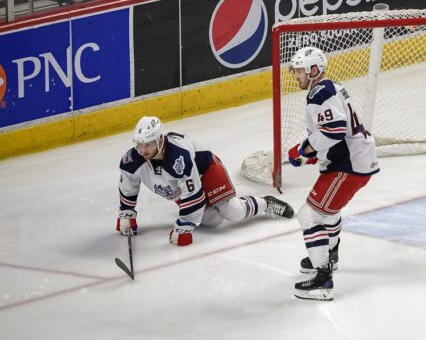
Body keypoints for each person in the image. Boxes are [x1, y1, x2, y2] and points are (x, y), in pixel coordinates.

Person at [286, 47, 379, 301]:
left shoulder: (319, 92)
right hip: (354, 160)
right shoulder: (332, 86)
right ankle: (330, 254)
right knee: (329, 210)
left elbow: (334, 131)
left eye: (298, 71)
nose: (296, 76)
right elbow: (337, 131)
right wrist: (312, 154)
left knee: (309, 216)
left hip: (348, 166)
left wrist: (302, 149)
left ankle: (322, 280)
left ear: (313, 69)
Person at [117, 116, 295, 246]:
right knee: (214, 220)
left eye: (148, 144)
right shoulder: (131, 161)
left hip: (207, 170)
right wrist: (126, 213)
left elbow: (193, 194)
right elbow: (128, 187)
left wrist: (184, 225)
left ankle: (265, 203)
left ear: (160, 140)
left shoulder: (178, 157)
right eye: (140, 144)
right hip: (181, 186)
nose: (143, 150)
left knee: (233, 212)